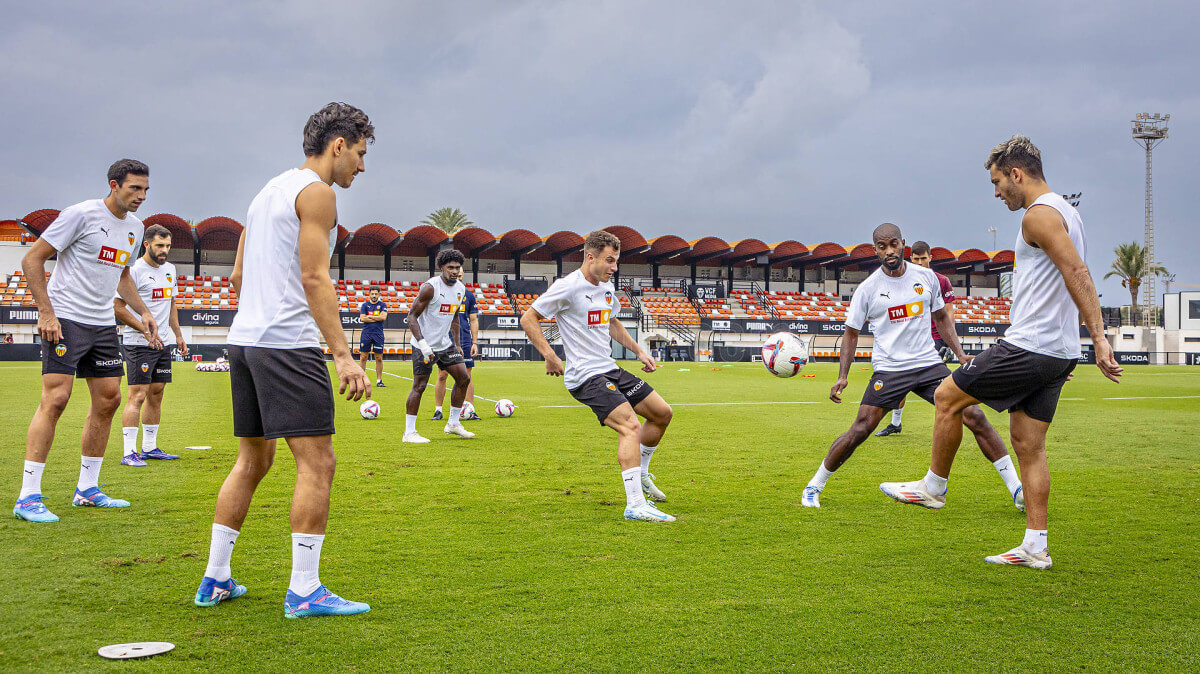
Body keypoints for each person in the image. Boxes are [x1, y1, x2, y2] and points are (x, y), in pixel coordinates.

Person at [880, 136, 1122, 569]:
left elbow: (1077, 272)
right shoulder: (1069, 212)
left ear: (1017, 174)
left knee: (945, 397)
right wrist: (1082, 344)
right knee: (1029, 445)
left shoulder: (1039, 216)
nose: (996, 193)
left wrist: (1100, 337)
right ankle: (1035, 546)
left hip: (1031, 344)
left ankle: (934, 487)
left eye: (997, 182)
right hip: (1057, 351)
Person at [194, 102, 373, 617]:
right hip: (287, 344)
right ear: (338, 144)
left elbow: (235, 278)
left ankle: (216, 579)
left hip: (245, 341)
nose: (361, 167)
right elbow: (317, 277)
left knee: (253, 460)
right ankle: (305, 590)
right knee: (318, 462)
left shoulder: (267, 191)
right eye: (360, 154)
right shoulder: (317, 194)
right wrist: (343, 355)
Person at [801, 223, 1021, 510]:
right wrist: (843, 376)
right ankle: (813, 486)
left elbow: (942, 317)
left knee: (974, 416)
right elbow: (851, 333)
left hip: (929, 364)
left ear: (902, 243)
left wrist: (959, 353)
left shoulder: (926, 277)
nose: (889, 251)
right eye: (882, 247)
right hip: (890, 368)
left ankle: (1017, 489)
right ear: (875, 250)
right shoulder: (868, 289)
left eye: (893, 244)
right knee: (862, 427)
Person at [13, 160, 157, 523]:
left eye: (145, 190)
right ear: (114, 185)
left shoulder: (136, 228)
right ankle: (28, 496)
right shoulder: (80, 215)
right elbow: (33, 259)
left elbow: (123, 275)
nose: (140, 196)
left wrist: (143, 312)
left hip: (103, 324)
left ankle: (87, 490)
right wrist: (47, 313)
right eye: (134, 189)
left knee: (109, 400)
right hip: (66, 320)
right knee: (57, 399)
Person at [521, 230, 676, 522]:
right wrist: (550, 355)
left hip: (609, 368)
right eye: (609, 260)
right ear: (590, 257)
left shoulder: (606, 288)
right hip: (584, 375)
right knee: (630, 425)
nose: (614, 267)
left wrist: (640, 351)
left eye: (616, 261)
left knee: (661, 413)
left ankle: (641, 473)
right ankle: (635, 505)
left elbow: (612, 322)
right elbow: (529, 318)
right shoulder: (567, 287)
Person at [115, 224, 187, 466]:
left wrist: (177, 335)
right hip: (139, 343)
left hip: (163, 343)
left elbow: (171, 304)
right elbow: (118, 308)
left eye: (167, 245)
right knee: (137, 396)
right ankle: (128, 452)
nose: (164, 250)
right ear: (146, 244)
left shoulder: (170, 269)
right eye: (159, 245)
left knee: (157, 394)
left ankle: (149, 447)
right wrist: (144, 330)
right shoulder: (133, 271)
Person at [874, 240, 956, 437]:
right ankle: (896, 423)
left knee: (939, 388)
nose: (920, 263)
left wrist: (948, 342)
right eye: (916, 259)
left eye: (924, 259)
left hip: (933, 340)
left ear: (930, 258)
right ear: (911, 258)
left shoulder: (941, 280)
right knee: (902, 382)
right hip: (908, 340)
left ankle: (949, 422)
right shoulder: (903, 280)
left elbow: (949, 311)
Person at [403, 249, 474, 442]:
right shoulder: (430, 288)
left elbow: (455, 317)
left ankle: (453, 424)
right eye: (450, 267)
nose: (454, 271)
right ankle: (409, 433)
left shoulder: (461, 289)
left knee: (463, 379)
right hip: (423, 345)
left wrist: (457, 344)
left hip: (445, 344)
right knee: (420, 386)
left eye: (457, 267)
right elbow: (411, 317)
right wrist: (423, 344)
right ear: (442, 267)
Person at [432, 286, 479, 421]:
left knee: (467, 374)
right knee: (442, 375)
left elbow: (473, 319)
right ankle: (438, 410)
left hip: (464, 339)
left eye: (460, 275)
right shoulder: (442, 295)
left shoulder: (468, 296)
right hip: (444, 340)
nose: (457, 276)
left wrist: (474, 342)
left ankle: (470, 409)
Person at [357, 286, 387, 388]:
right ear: (369, 294)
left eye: (376, 294)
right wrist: (377, 318)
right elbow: (362, 318)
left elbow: (383, 317)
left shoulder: (383, 305)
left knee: (378, 358)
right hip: (366, 334)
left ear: (379, 294)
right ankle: (360, 380)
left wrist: (370, 317)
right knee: (363, 357)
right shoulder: (365, 305)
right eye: (372, 294)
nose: (374, 296)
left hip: (378, 334)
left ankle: (379, 381)